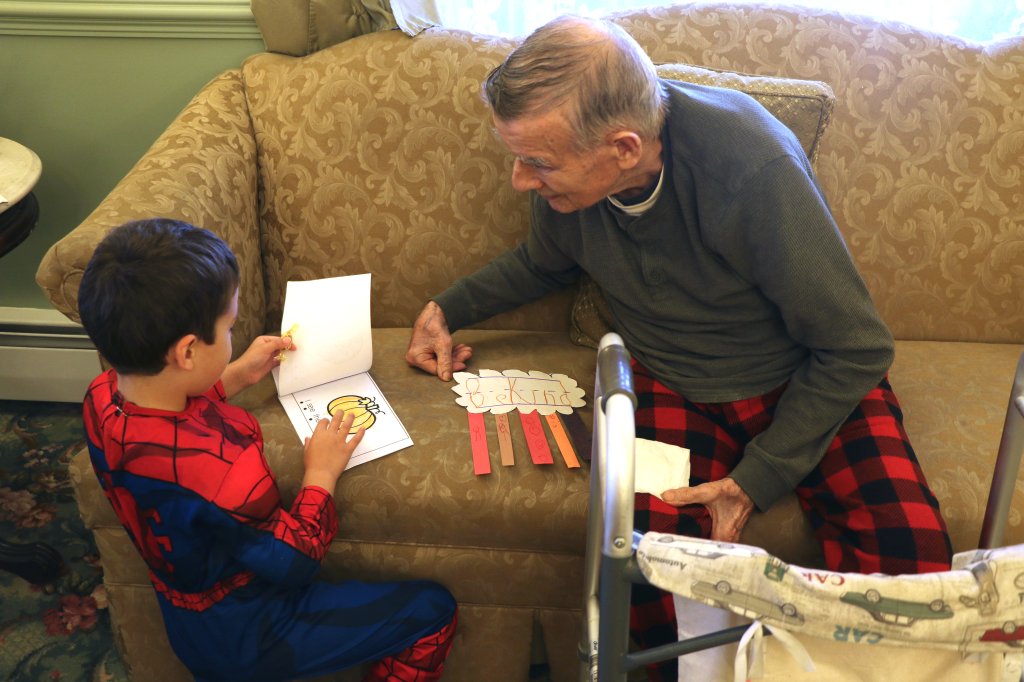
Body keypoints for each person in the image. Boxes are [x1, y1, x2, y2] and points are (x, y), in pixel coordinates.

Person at [404, 15, 952, 681]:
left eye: (538, 164)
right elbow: (545, 262)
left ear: (624, 148)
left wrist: (757, 479)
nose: (521, 181)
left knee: (911, 564)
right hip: (670, 381)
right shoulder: (567, 188)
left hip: (802, 377)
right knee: (641, 573)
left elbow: (856, 347)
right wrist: (447, 309)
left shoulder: (752, 166)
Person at [78, 218, 457, 682]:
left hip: (184, 617)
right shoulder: (227, 469)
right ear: (188, 352)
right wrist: (321, 473)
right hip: (254, 632)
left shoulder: (100, 398)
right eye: (230, 326)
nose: (235, 333)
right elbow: (295, 560)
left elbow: (164, 420)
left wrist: (236, 374)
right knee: (433, 610)